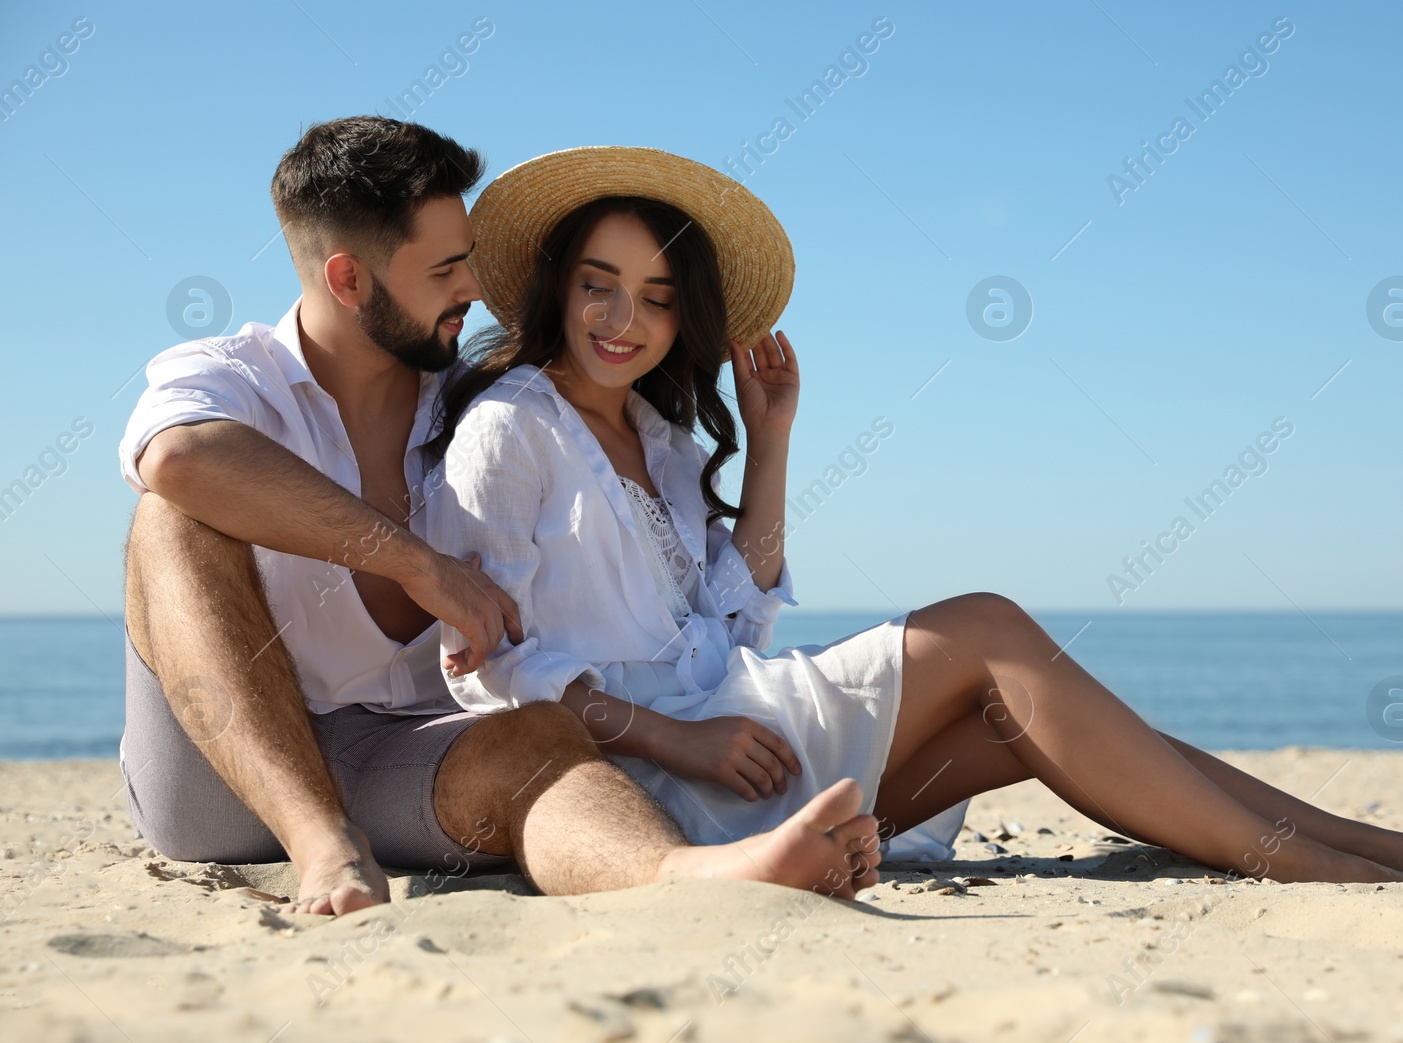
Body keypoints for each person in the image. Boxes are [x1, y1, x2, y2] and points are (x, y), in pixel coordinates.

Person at [425, 146, 1403, 884]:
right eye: (600, 283)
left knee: (1033, 721)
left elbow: (737, 621)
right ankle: (1349, 864)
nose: (625, 318)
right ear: (555, 286)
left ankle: (1374, 844)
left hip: (739, 742)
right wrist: (678, 737)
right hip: (650, 785)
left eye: (660, 297)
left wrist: (769, 440)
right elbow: (483, 668)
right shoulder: (509, 430)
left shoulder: (660, 440)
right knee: (986, 624)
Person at [118, 118, 883, 917]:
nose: (476, 289)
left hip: (402, 757)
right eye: (448, 268)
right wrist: (420, 565)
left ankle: (689, 874)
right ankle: (321, 845)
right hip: (225, 777)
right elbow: (178, 458)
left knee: (541, 737)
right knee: (170, 518)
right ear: (349, 280)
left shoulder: (477, 407)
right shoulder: (234, 380)